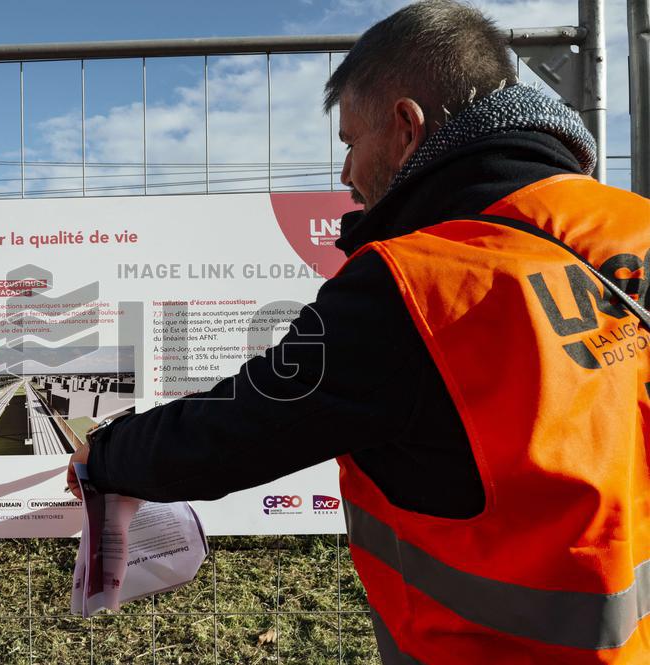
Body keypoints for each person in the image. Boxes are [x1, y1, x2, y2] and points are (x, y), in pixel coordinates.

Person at [65, 0, 650, 662]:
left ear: (406, 126)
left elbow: (242, 425)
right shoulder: (633, 226)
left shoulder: (415, 283)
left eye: (349, 143)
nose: (344, 174)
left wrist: (107, 456)